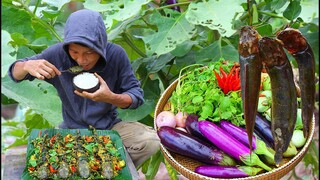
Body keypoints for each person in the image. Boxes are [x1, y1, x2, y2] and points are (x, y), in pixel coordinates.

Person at [8, 9, 160, 179]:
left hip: (109, 128)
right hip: (69, 130)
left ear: (101, 46)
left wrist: (110, 97)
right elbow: (14, 74)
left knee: (150, 141)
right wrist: (26, 66)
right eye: (74, 52)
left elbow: (136, 97)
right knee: (49, 161)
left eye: (89, 52)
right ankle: (96, 165)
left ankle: (108, 167)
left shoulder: (116, 55)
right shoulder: (57, 54)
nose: (81, 60)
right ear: (67, 48)